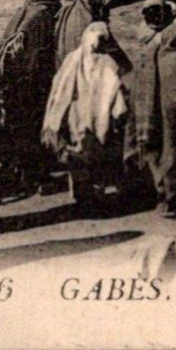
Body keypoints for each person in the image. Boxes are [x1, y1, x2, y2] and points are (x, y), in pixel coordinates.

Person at [41, 21, 130, 213]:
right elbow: (117, 96)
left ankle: (83, 198)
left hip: (75, 119)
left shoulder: (71, 59)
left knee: (78, 156)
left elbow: (58, 90)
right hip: (100, 120)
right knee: (99, 155)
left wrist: (55, 119)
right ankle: (99, 196)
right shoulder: (108, 63)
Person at [0, 0, 65, 193]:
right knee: (31, 128)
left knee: (17, 127)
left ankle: (19, 169)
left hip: (11, 78)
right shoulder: (42, 16)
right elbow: (36, 54)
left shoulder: (29, 7)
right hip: (27, 81)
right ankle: (34, 177)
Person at [126, 0, 176, 216]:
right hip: (173, 105)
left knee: (152, 148)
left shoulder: (143, 42)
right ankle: (171, 196)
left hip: (145, 105)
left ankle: (161, 193)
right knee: (171, 148)